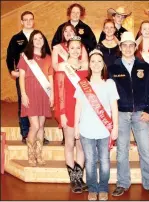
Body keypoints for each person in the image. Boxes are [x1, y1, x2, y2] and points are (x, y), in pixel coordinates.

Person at [108, 32, 149, 197]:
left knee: (145, 149)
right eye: (125, 45)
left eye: (131, 45)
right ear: (120, 47)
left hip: (141, 114)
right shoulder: (112, 69)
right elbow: (108, 94)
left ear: (135, 47)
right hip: (121, 115)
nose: (128, 48)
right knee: (122, 151)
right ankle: (122, 183)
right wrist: (113, 115)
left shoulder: (145, 67)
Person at [74, 49, 119, 201]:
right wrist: (76, 127)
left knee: (105, 161)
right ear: (89, 64)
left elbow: (114, 107)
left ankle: (103, 188)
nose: (96, 64)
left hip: (105, 130)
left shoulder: (110, 83)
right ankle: (93, 188)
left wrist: (115, 128)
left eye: (99, 61)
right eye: (93, 61)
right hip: (86, 129)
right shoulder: (82, 84)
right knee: (90, 161)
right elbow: (78, 107)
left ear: (103, 64)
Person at [6, 11, 50, 144]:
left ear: (34, 20)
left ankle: (39, 133)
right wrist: (12, 71)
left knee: (41, 107)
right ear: (22, 22)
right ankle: (25, 132)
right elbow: (10, 57)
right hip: (24, 77)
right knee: (24, 103)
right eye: (26, 20)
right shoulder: (16, 38)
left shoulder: (39, 36)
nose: (29, 22)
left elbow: (47, 54)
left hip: (40, 79)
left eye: (31, 19)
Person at [55, 36, 88, 193]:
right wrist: (61, 113)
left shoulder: (86, 67)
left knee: (81, 145)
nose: (75, 50)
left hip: (83, 111)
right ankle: (73, 179)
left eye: (78, 48)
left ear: (81, 49)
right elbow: (59, 91)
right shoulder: (62, 66)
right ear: (67, 49)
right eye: (72, 47)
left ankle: (79, 177)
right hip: (68, 108)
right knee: (69, 144)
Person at [18, 30, 54, 167]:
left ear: (44, 41)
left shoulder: (48, 58)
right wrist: (23, 94)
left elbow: (50, 77)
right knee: (35, 125)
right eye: (35, 38)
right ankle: (31, 154)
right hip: (30, 94)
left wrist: (52, 95)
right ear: (31, 41)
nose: (38, 40)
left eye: (41, 38)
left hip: (44, 94)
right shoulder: (26, 56)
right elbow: (21, 77)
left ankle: (39, 154)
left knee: (41, 127)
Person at [52, 23, 88, 145]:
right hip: (64, 84)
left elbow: (86, 66)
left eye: (71, 31)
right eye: (65, 31)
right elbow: (55, 68)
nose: (68, 33)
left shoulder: (81, 47)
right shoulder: (57, 48)